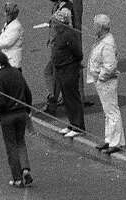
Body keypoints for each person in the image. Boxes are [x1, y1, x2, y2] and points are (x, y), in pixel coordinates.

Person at [0, 50, 33, 187]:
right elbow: (28, 92)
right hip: (21, 113)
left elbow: (0, 102)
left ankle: (17, 178)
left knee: (11, 146)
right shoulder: (16, 72)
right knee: (20, 142)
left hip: (7, 116)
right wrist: (27, 109)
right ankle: (25, 169)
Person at [86, 15, 123, 154]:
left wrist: (101, 78)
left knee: (111, 111)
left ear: (100, 27)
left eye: (95, 25)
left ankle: (115, 142)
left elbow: (110, 66)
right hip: (102, 80)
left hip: (106, 81)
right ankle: (109, 139)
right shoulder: (103, 40)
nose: (93, 27)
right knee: (108, 112)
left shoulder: (107, 43)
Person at [50, 9, 84, 137]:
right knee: (66, 97)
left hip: (69, 69)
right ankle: (73, 123)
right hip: (61, 69)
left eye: (55, 22)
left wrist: (72, 63)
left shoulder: (69, 34)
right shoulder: (60, 34)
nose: (53, 25)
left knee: (72, 97)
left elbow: (78, 53)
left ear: (61, 23)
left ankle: (78, 126)